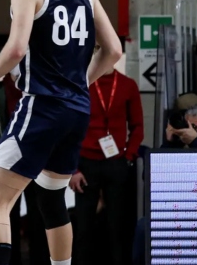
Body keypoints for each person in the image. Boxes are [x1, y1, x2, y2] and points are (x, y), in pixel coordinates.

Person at [0, 0, 123, 265]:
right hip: (77, 110)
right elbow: (114, 50)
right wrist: (81, 82)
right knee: (51, 198)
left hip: (41, 107)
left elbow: (16, 48)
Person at [70, 47, 144, 265]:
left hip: (116, 162)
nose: (100, 55)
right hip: (85, 163)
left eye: (104, 50)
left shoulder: (127, 85)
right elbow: (69, 129)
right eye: (95, 50)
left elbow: (138, 126)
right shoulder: (80, 84)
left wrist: (128, 156)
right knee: (83, 227)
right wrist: (73, 168)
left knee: (118, 227)